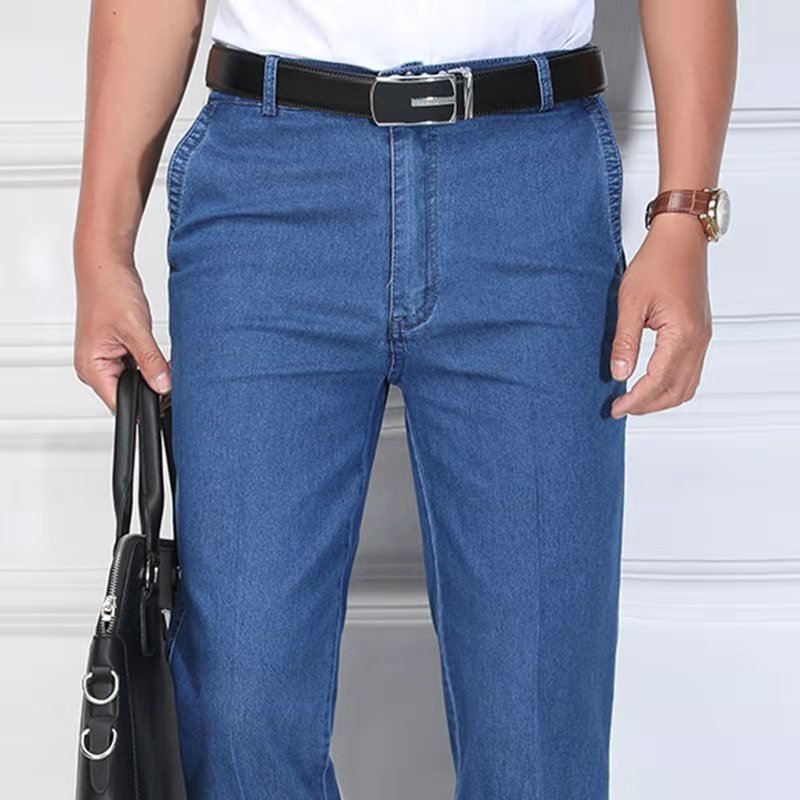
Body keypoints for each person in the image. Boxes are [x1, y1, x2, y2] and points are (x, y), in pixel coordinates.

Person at [72, 0, 737, 797]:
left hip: (529, 186)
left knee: (536, 730)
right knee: (238, 709)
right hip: (270, 196)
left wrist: (686, 213)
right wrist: (101, 249)